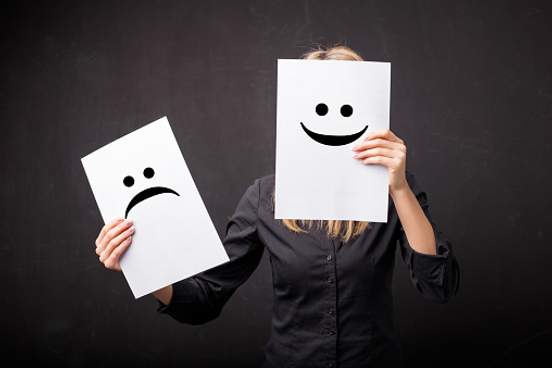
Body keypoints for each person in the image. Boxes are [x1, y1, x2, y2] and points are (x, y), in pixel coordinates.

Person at [93, 45, 460, 368]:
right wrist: (139, 263)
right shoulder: (264, 199)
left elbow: (438, 285)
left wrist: (398, 188)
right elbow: (205, 298)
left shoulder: (395, 191)